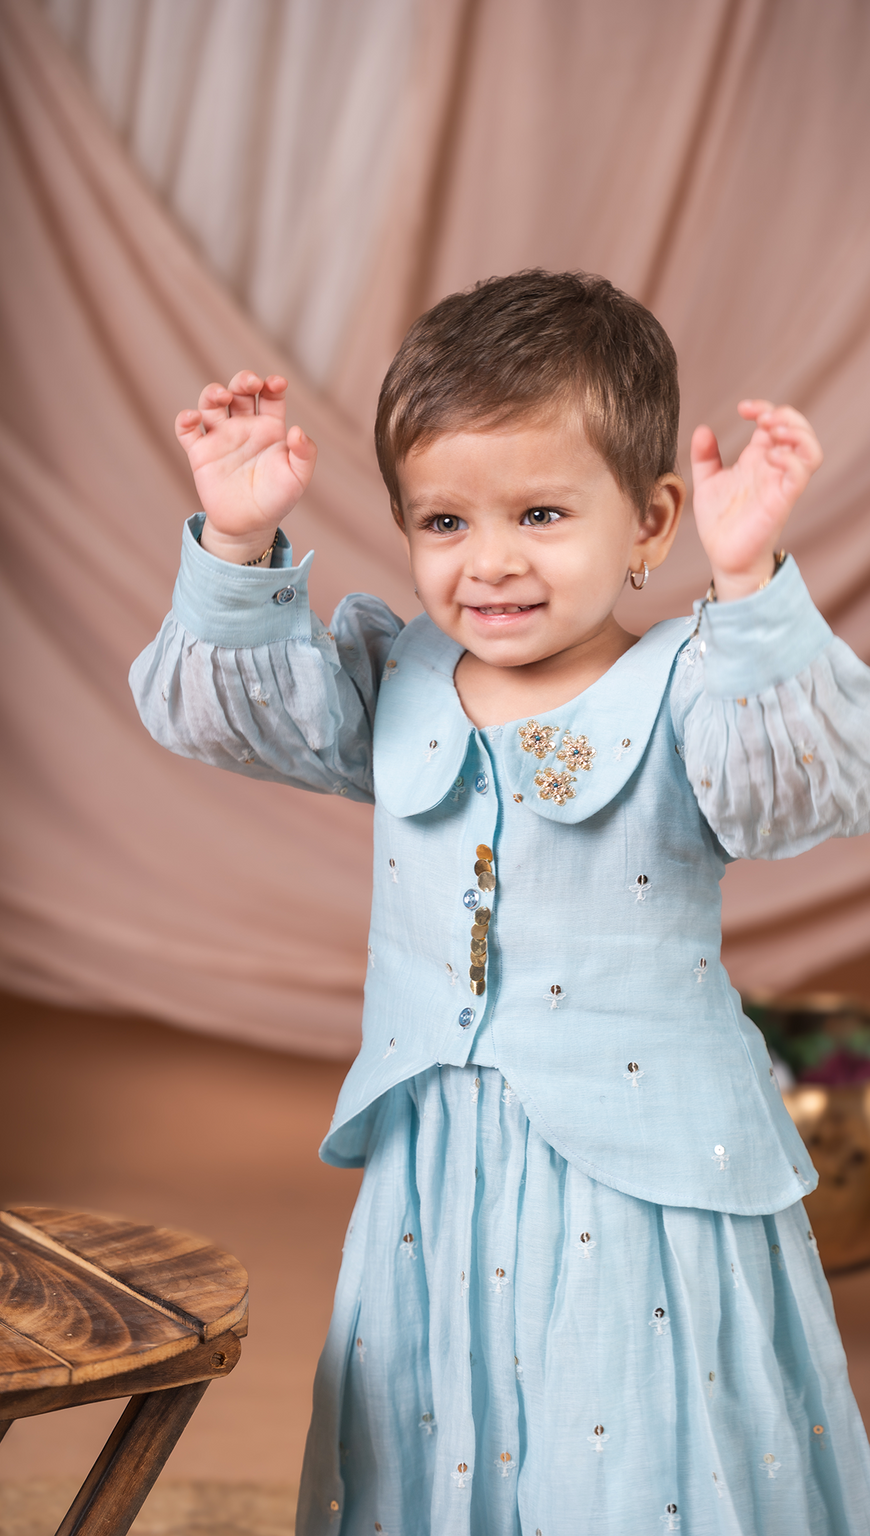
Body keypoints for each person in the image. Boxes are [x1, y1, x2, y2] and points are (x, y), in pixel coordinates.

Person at [130, 270, 870, 1535]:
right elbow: (227, 712)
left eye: (539, 512)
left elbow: (796, 789)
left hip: (638, 1177)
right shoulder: (394, 674)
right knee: (437, 1417)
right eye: (443, 523)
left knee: (633, 1429)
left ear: (649, 523)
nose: (490, 564)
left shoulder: (690, 690)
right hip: (442, 1165)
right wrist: (241, 543)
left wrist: (748, 585)